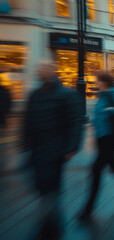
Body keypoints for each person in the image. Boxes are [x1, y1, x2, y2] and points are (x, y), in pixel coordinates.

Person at [24, 60, 84, 239]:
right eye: (38, 67)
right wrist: (25, 142)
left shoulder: (66, 95)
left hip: (56, 149)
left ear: (51, 70)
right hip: (38, 149)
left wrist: (72, 147)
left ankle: (48, 227)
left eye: (42, 67)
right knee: (43, 186)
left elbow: (76, 121)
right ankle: (54, 224)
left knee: (49, 186)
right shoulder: (35, 94)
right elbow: (28, 122)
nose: (38, 70)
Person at [80, 72, 114, 220]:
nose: (96, 83)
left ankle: (88, 208)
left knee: (96, 169)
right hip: (101, 138)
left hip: (110, 138)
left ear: (104, 82)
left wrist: (113, 110)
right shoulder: (102, 96)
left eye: (98, 81)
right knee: (113, 165)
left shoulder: (113, 95)